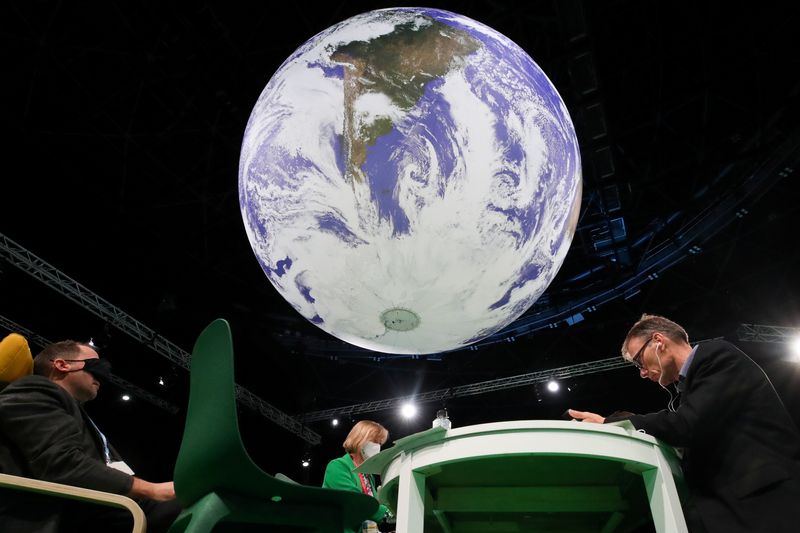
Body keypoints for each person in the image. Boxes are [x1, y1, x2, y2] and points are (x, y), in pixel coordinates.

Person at [568, 314, 800, 533]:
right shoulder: (693, 389)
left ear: (658, 341)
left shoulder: (717, 356)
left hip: (764, 507)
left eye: (639, 361)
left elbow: (687, 423)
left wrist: (611, 422)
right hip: (735, 512)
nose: (642, 372)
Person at [0, 340, 181, 532]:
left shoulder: (72, 411)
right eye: (96, 367)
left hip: (106, 508)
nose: (102, 377)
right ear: (62, 365)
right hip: (72, 516)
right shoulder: (35, 390)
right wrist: (152, 490)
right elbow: (63, 464)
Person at [323, 420, 392, 532]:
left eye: (380, 443)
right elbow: (355, 501)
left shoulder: (369, 476)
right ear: (360, 439)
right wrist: (388, 514)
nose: (378, 447)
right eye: (374, 441)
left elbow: (369, 519)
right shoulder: (338, 466)